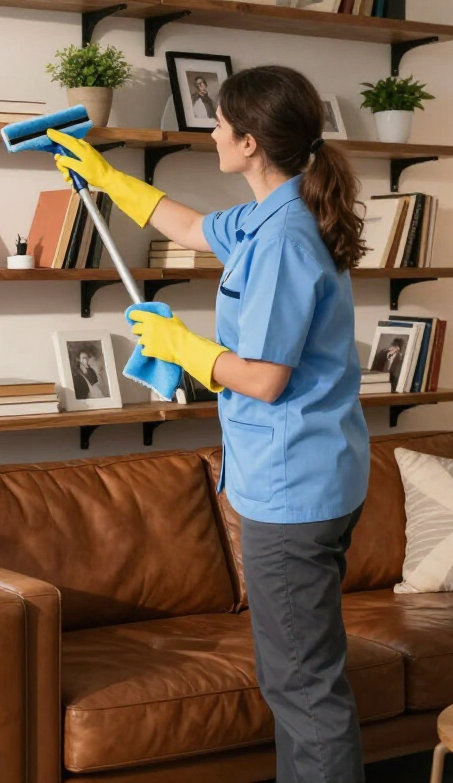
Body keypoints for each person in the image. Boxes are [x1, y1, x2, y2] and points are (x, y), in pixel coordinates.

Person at [49, 65, 369, 783]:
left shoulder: (286, 237)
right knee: (299, 677)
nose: (212, 132)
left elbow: (263, 377)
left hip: (295, 487)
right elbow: (191, 227)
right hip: (304, 475)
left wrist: (181, 347)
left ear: (250, 141)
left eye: (220, 123)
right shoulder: (269, 214)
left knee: (303, 687)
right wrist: (105, 177)